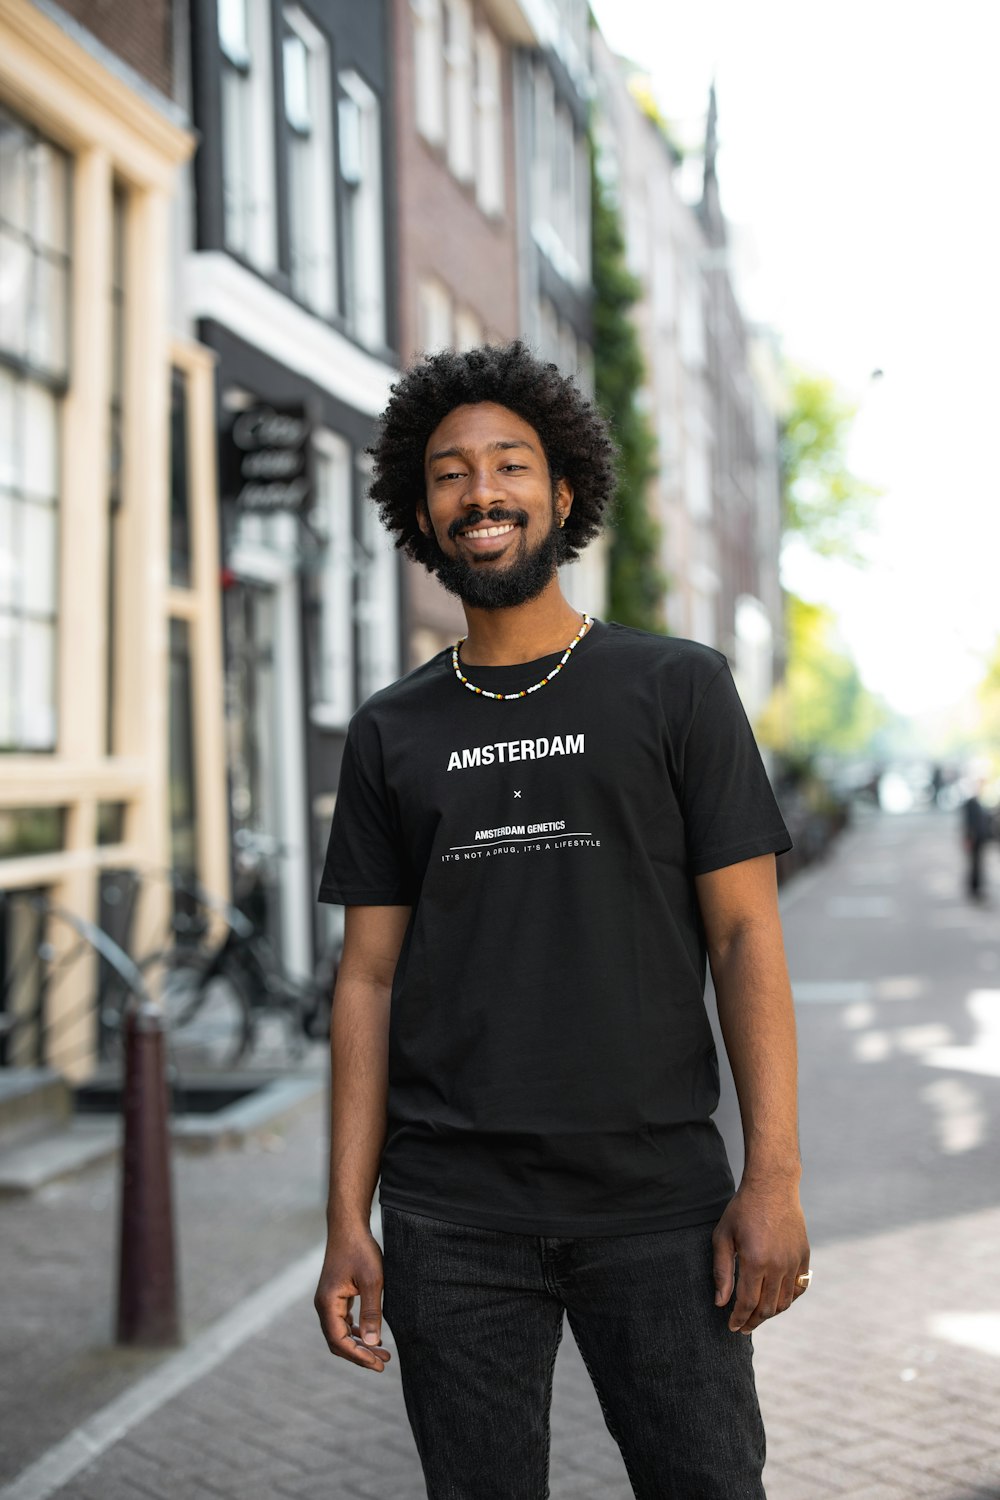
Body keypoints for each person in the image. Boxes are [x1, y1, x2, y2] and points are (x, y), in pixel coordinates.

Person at [314, 342, 810, 1500]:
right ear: (418, 509)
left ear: (563, 491)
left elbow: (745, 940)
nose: (480, 493)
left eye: (508, 465)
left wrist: (772, 1177)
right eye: (448, 474)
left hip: (657, 1206)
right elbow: (366, 982)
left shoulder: (675, 688)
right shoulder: (391, 731)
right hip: (453, 1224)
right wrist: (348, 1218)